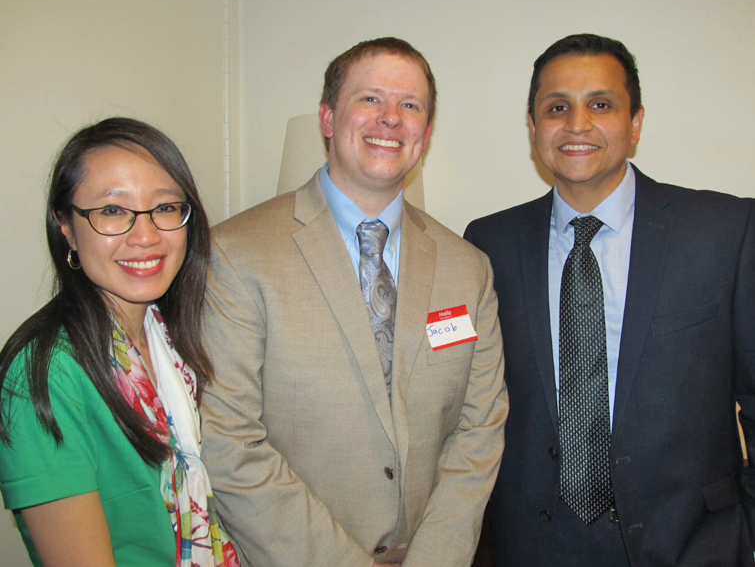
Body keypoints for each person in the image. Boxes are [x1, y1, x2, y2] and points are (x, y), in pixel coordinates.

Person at [201, 37, 507, 567]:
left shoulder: (469, 268)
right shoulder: (236, 254)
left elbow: (477, 433)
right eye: (370, 99)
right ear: (327, 117)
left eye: (409, 105)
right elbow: (231, 444)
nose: (390, 118)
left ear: (426, 134)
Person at [465, 33, 755, 566]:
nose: (577, 124)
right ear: (533, 128)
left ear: (636, 121)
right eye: (557, 108)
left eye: (601, 104)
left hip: (693, 544)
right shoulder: (487, 244)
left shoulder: (726, 232)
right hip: (532, 546)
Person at [0, 118, 239, 567]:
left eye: (165, 208)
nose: (146, 235)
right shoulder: (43, 373)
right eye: (112, 211)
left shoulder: (168, 336)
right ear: (66, 227)